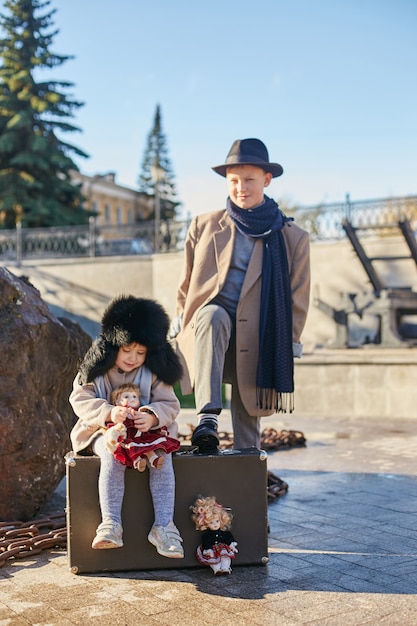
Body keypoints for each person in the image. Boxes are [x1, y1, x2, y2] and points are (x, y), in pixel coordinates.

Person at [170, 138, 310, 453]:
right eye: (234, 181)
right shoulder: (204, 225)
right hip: (211, 327)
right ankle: (207, 418)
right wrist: (181, 318)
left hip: (261, 331)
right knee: (211, 315)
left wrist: (291, 342)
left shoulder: (292, 238)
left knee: (249, 429)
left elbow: (299, 297)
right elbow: (187, 282)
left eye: (249, 180)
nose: (241, 187)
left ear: (267, 179)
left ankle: (247, 461)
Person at [69, 295, 184, 558]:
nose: (133, 358)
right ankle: (111, 523)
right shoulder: (97, 368)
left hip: (147, 437)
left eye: (141, 352)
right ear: (114, 344)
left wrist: (153, 416)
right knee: (112, 452)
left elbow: (170, 403)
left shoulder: (152, 372)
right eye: (127, 350)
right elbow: (79, 398)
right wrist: (108, 413)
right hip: (103, 432)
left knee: (162, 458)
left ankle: (164, 526)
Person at [105, 383, 180, 471]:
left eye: (134, 396)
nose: (132, 399)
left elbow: (152, 422)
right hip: (129, 438)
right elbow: (116, 428)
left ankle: (154, 460)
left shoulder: (142, 412)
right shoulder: (120, 414)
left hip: (143, 435)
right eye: (126, 397)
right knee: (132, 448)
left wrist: (155, 424)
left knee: (149, 446)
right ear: (117, 402)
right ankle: (137, 461)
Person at [190, 495, 238, 575]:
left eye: (217, 521)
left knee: (225, 557)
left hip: (222, 548)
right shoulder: (207, 535)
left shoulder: (224, 532)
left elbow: (228, 538)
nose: (215, 524)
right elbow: (206, 543)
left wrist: (231, 545)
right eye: (211, 523)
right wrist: (208, 550)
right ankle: (216, 569)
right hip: (213, 550)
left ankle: (225, 568)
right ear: (205, 523)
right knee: (213, 560)